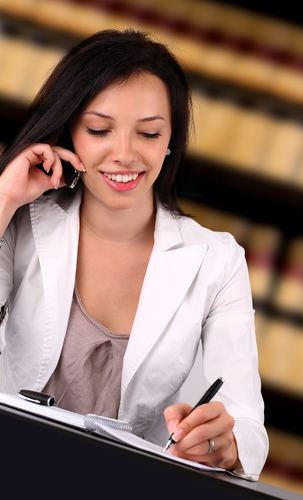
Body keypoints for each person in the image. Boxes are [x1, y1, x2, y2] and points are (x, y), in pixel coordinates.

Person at [0, 29, 268, 480]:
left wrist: (228, 443)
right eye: (100, 130)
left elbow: (247, 425)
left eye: (148, 133)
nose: (124, 154)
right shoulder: (20, 219)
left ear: (170, 141)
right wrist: (3, 199)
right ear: (69, 131)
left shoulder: (218, 261)